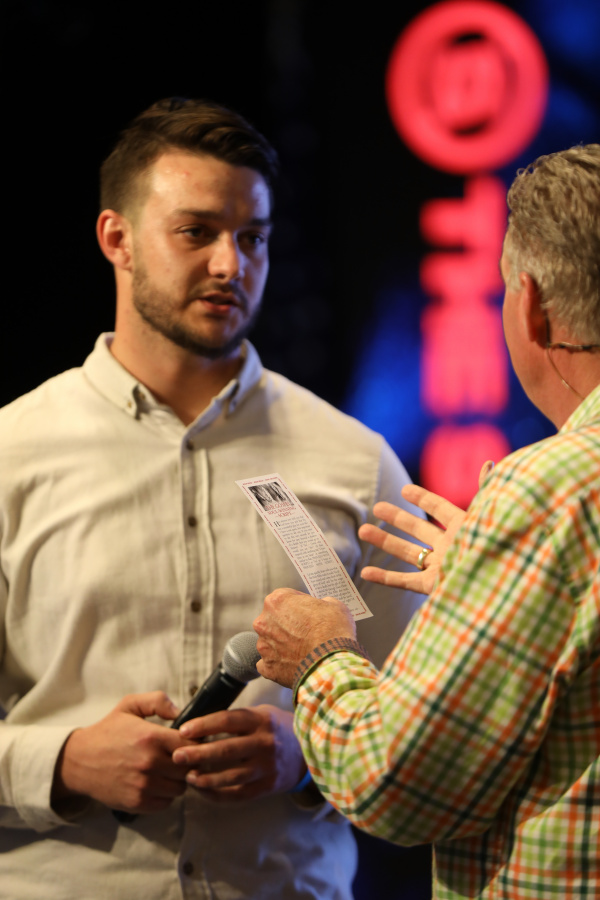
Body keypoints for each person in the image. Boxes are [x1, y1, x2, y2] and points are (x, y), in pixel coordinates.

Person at [0, 98, 424, 899]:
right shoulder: (12, 454)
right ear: (117, 239)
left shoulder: (354, 462)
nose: (231, 264)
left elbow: (426, 718)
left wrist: (311, 753)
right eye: (196, 232)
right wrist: (62, 762)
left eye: (252, 237)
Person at [254, 144, 600, 899]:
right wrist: (508, 595)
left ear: (531, 305)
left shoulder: (550, 490)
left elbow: (395, 783)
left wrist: (320, 657)